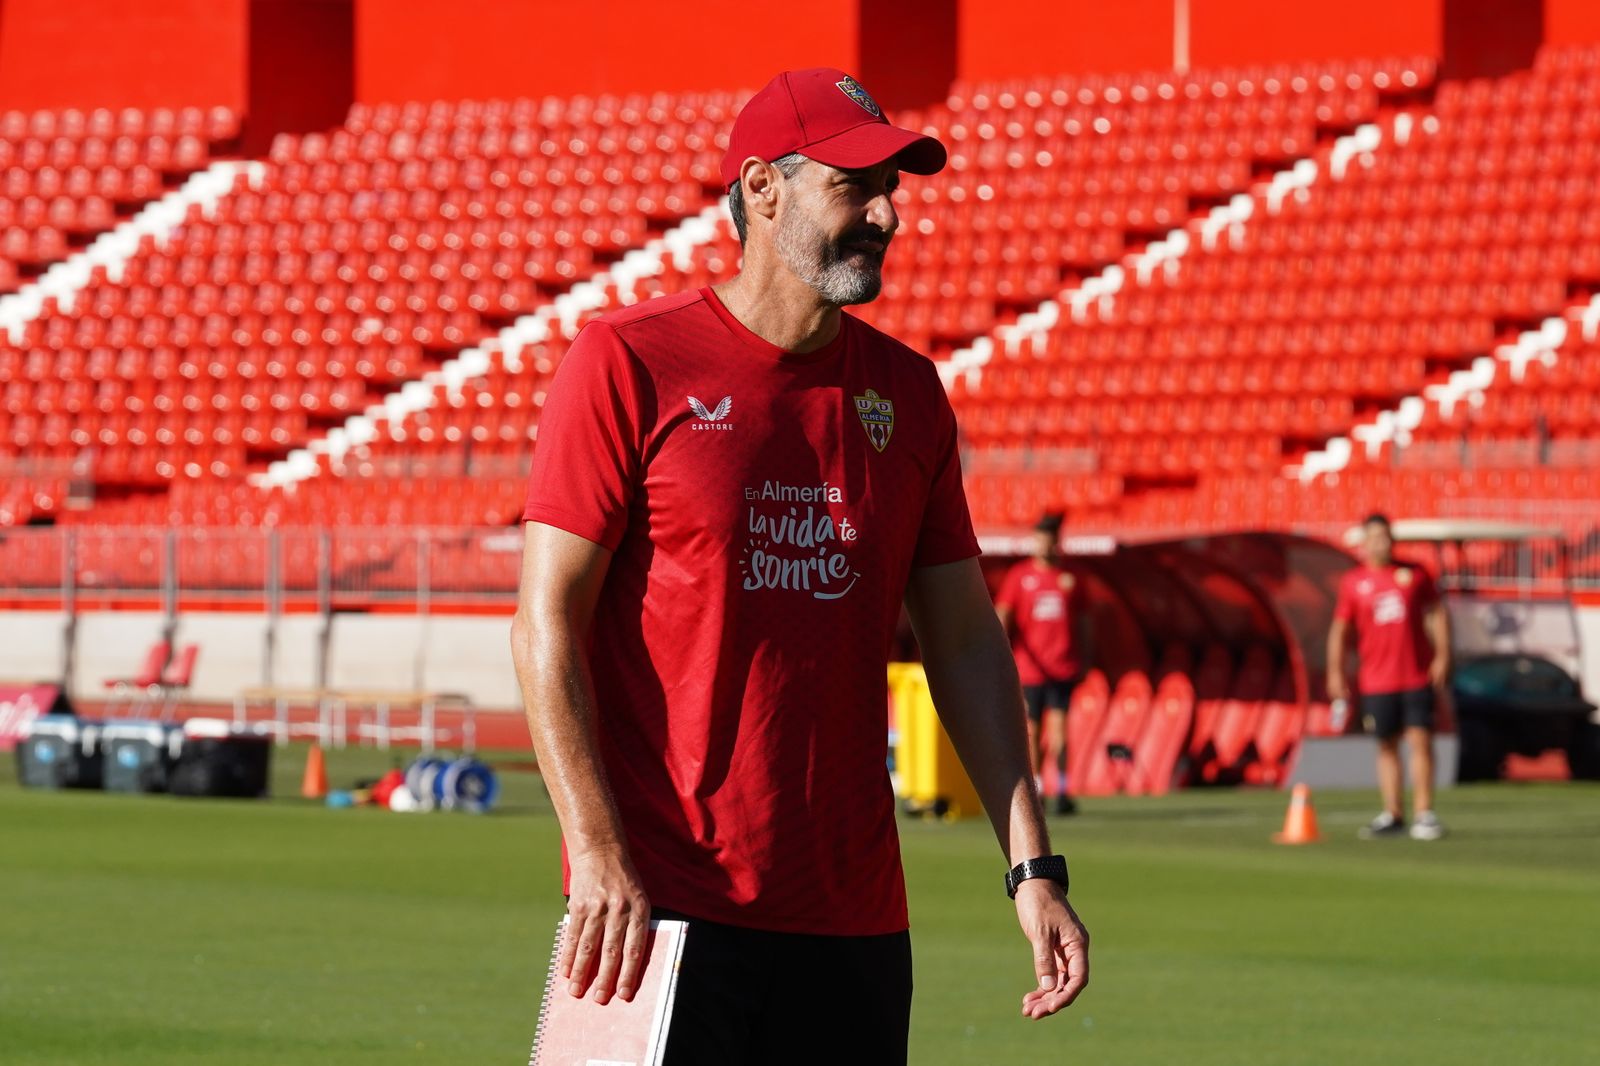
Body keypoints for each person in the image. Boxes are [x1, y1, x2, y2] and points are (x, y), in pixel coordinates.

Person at [510, 67, 1089, 1064]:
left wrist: (1031, 864)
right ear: (762, 189)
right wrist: (595, 850)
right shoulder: (627, 362)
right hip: (654, 909)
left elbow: (962, 641)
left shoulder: (908, 395)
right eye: (852, 187)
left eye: (892, 190)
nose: (884, 214)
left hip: (852, 924)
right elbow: (543, 624)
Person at [1327, 513, 1451, 841]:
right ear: (1364, 543)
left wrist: (1442, 655)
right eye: (1377, 537)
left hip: (1415, 675)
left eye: (1387, 535)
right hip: (1377, 680)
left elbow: (1436, 614)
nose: (1383, 542)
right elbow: (1340, 630)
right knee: (1386, 745)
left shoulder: (1414, 575)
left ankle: (1425, 814)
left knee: (1421, 740)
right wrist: (1336, 672)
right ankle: (1393, 812)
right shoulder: (1354, 582)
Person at [994, 513, 1091, 815]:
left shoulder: (1072, 578)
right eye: (1040, 539)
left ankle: (1062, 790)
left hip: (1062, 666)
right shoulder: (1020, 577)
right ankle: (1037, 789)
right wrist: (1002, 653)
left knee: (1060, 731)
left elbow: (1086, 623)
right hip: (1030, 670)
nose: (1044, 545)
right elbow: (1003, 615)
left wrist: (1086, 659)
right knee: (1033, 732)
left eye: (1049, 539)